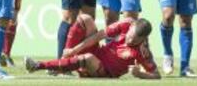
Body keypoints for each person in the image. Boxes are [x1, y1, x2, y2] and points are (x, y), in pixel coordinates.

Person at [24, 14, 161, 79]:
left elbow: (156, 75)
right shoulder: (127, 23)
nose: (130, 40)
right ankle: (62, 64)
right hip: (98, 53)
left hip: (105, 72)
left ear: (143, 39)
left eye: (135, 40)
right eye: (130, 36)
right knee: (85, 19)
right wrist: (73, 50)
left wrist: (141, 74)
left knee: (88, 58)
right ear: (131, 26)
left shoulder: (144, 51)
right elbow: (99, 35)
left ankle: (38, 66)